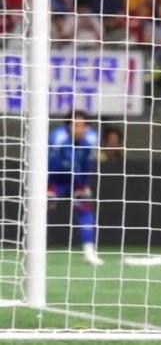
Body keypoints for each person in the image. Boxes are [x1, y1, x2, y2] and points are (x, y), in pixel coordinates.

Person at [48, 110, 104, 265]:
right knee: (41, 209)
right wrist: (46, 186)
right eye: (76, 125)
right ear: (68, 126)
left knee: (85, 210)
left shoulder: (92, 138)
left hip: (76, 180)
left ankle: (89, 252)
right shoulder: (57, 138)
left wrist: (84, 184)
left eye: (83, 125)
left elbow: (87, 162)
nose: (80, 129)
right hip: (55, 179)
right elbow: (48, 162)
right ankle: (32, 248)